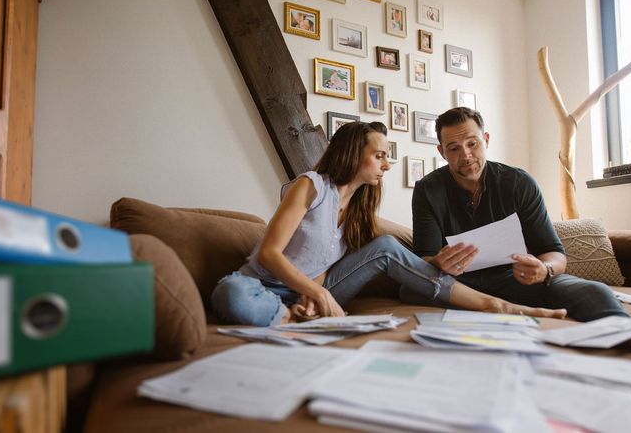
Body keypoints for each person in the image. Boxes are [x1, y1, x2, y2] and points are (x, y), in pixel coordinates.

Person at [211, 121, 566, 326]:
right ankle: (288, 317)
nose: (386, 164)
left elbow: (321, 267)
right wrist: (316, 295)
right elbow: (272, 254)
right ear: (354, 155)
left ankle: (498, 306)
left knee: (386, 248)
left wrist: (314, 290)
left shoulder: (361, 207)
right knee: (229, 293)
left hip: (311, 290)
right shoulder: (310, 186)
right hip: (262, 287)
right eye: (379, 155)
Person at [410, 107, 628, 322]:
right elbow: (424, 259)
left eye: (472, 143)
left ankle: (629, 337)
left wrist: (544, 269)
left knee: (595, 291)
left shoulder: (518, 183)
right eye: (454, 148)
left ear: (486, 139)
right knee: (410, 290)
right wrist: (439, 263)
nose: (466, 155)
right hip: (459, 285)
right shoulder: (428, 190)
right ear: (442, 152)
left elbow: (553, 252)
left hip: (516, 279)